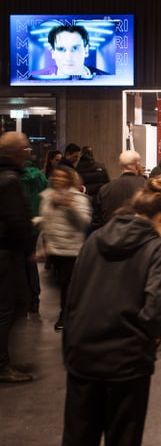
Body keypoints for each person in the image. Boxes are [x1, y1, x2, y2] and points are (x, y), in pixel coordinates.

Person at [61, 177, 161, 446]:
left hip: (82, 354)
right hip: (127, 360)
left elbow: (73, 294)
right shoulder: (158, 248)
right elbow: (157, 305)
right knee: (124, 436)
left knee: (77, 436)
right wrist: (149, 339)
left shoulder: (96, 238)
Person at [0, 132, 36, 383]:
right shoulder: (10, 179)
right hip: (6, 251)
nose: (29, 153)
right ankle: (3, 365)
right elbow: (16, 220)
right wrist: (28, 248)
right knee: (8, 307)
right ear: (17, 152)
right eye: (25, 149)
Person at [39, 164, 91, 332]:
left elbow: (84, 221)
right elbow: (48, 221)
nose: (59, 180)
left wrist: (70, 205)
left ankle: (67, 316)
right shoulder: (48, 196)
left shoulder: (78, 198)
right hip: (55, 249)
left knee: (68, 286)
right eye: (56, 177)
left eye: (63, 177)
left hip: (71, 249)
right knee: (63, 284)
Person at [91, 150, 146, 231]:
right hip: (139, 236)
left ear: (120, 164)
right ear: (137, 164)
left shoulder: (105, 189)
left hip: (111, 236)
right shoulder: (146, 186)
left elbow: (97, 220)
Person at [29, 24, 107, 80]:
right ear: (53, 53)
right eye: (61, 49)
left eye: (75, 48)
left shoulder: (106, 79)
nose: (68, 57)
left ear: (86, 51)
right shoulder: (34, 78)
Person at [21, 157, 48, 315]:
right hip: (36, 223)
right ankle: (34, 299)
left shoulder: (14, 177)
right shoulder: (40, 176)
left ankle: (22, 300)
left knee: (18, 262)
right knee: (31, 262)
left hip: (19, 223)